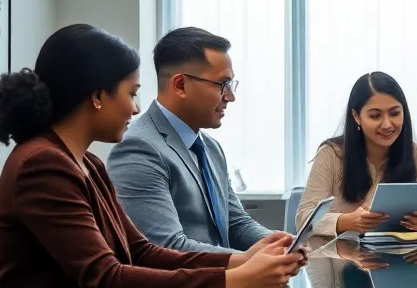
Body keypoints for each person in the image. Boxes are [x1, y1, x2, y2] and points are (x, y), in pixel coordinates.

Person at [0, 24, 303, 288]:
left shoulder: (87, 164)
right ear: (97, 95)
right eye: (131, 93)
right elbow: (107, 279)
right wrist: (236, 279)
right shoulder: (43, 166)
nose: (135, 108)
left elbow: (141, 251)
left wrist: (242, 265)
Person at [109, 27, 287, 252]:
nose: (230, 96)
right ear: (180, 85)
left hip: (226, 284)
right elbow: (166, 248)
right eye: (222, 84)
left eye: (231, 85)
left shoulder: (211, 148)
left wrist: (279, 244)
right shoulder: (138, 148)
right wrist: (252, 263)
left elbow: (235, 222)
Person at [297, 72, 417, 238]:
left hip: (399, 257)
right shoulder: (331, 154)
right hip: (340, 256)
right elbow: (304, 218)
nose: (387, 124)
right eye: (375, 116)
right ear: (356, 116)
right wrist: (347, 221)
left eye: (394, 113)